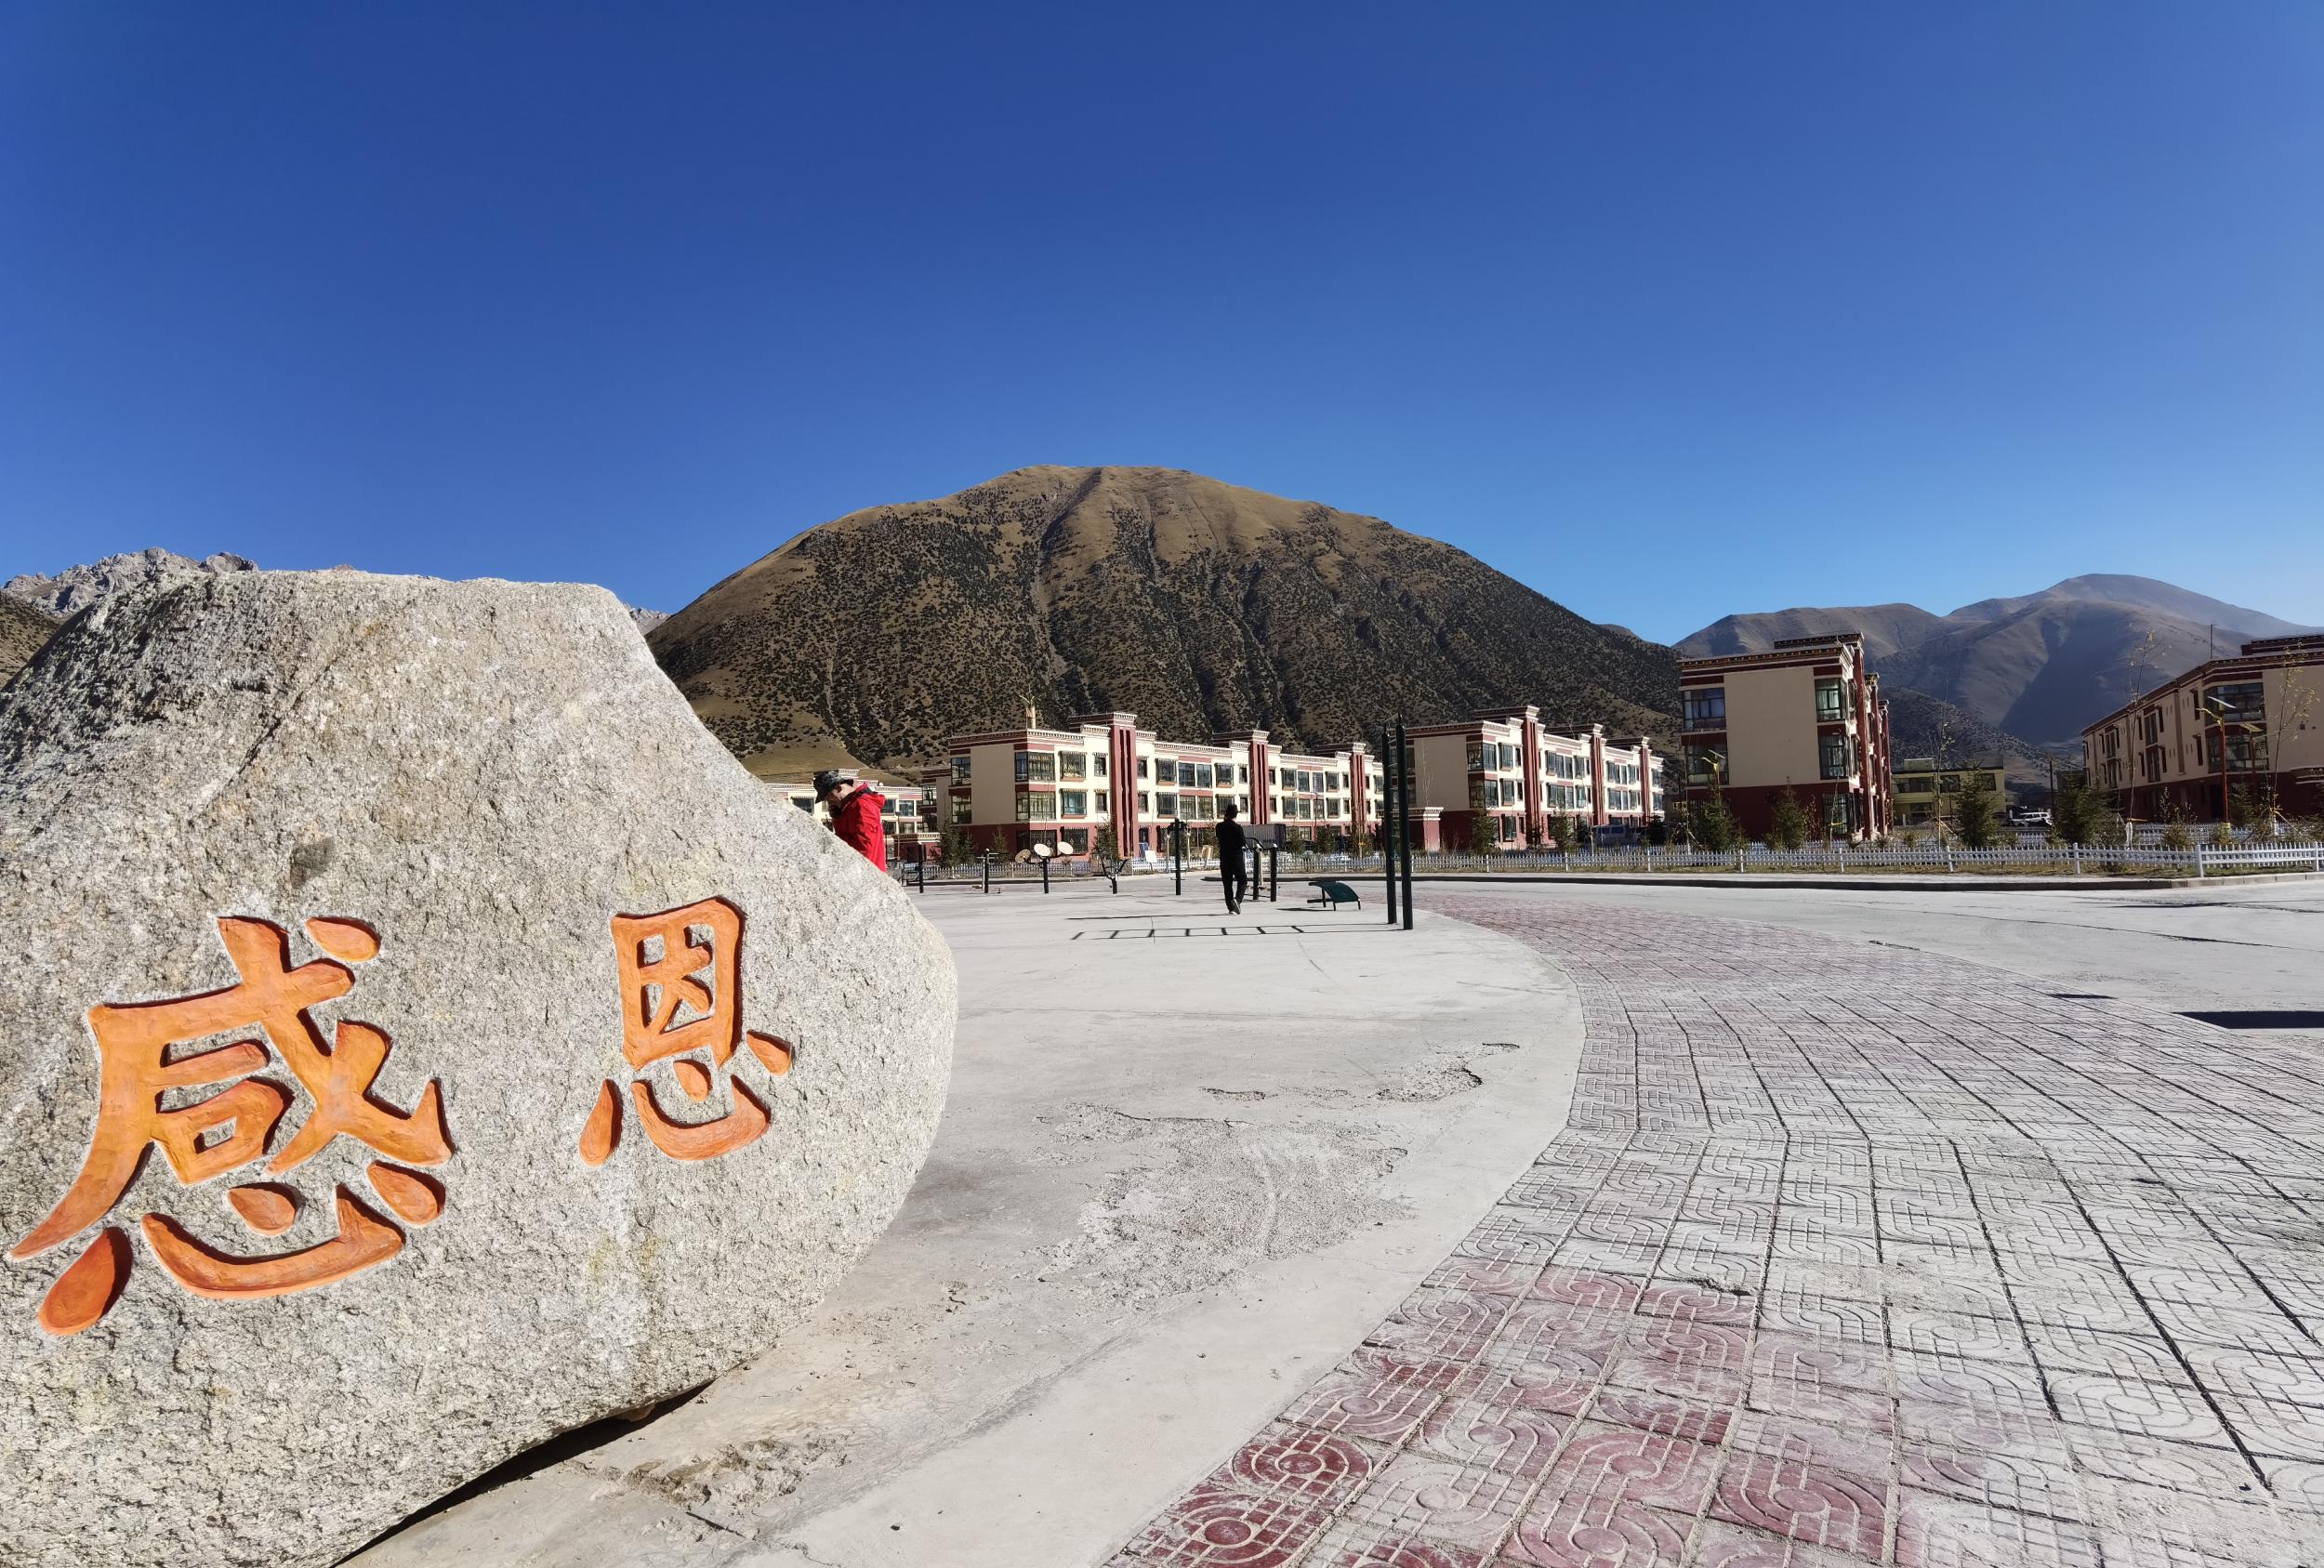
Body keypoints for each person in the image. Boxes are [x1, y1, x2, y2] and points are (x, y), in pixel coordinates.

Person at [815, 770, 887, 871]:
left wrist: (834, 842)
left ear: (838, 788)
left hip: (865, 872)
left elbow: (864, 848)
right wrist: (837, 818)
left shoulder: (861, 806)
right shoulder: (851, 806)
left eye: (828, 797)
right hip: (861, 870)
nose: (829, 801)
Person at [1215, 801, 1248, 914]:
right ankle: (1237, 900)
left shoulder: (1219, 826)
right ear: (1235, 815)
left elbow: (1219, 837)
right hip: (1236, 858)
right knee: (1242, 880)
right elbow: (1242, 842)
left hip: (1224, 858)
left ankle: (1231, 908)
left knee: (1227, 884)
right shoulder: (1238, 828)